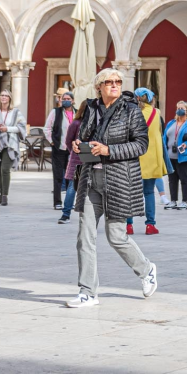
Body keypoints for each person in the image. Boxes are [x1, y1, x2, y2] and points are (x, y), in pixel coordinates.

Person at [68, 67, 158, 307]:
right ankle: (87, 292)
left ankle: (147, 269)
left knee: (116, 237)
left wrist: (109, 150)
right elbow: (86, 137)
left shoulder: (131, 111)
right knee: (84, 237)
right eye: (109, 82)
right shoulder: (92, 109)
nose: (115, 85)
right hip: (90, 180)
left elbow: (141, 145)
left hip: (118, 180)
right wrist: (80, 145)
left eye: (118, 81)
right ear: (99, 86)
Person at [129, 88, 170, 235]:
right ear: (151, 99)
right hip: (151, 157)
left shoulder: (130, 112)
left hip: (134, 157)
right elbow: (160, 132)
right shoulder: (156, 112)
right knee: (149, 193)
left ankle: (129, 225)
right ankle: (150, 225)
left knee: (131, 193)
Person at [0, 89, 25, 207]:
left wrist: (7, 129)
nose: (3, 97)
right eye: (2, 95)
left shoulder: (15, 112)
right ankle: (1, 194)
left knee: (5, 169)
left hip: (10, 144)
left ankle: (5, 196)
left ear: (10, 98)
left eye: (6, 95)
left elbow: (21, 127)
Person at [45, 91, 76, 210]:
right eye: (63, 99)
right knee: (58, 177)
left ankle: (69, 202)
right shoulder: (55, 112)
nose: (65, 100)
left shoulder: (77, 113)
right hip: (59, 148)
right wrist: (52, 142)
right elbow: (47, 128)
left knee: (71, 177)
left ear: (72, 101)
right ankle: (57, 202)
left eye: (68, 98)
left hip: (72, 150)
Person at [165, 102, 187, 210]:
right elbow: (164, 137)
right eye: (178, 108)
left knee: (184, 178)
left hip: (184, 156)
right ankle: (173, 200)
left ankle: (184, 201)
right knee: (172, 179)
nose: (179, 110)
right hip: (170, 156)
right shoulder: (171, 123)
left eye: (182, 108)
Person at [59, 100, 87, 224]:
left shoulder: (78, 123)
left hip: (87, 160)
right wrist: (74, 153)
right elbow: (69, 140)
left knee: (75, 187)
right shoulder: (76, 123)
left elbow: (69, 141)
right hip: (79, 160)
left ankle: (67, 215)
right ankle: (66, 213)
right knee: (72, 187)